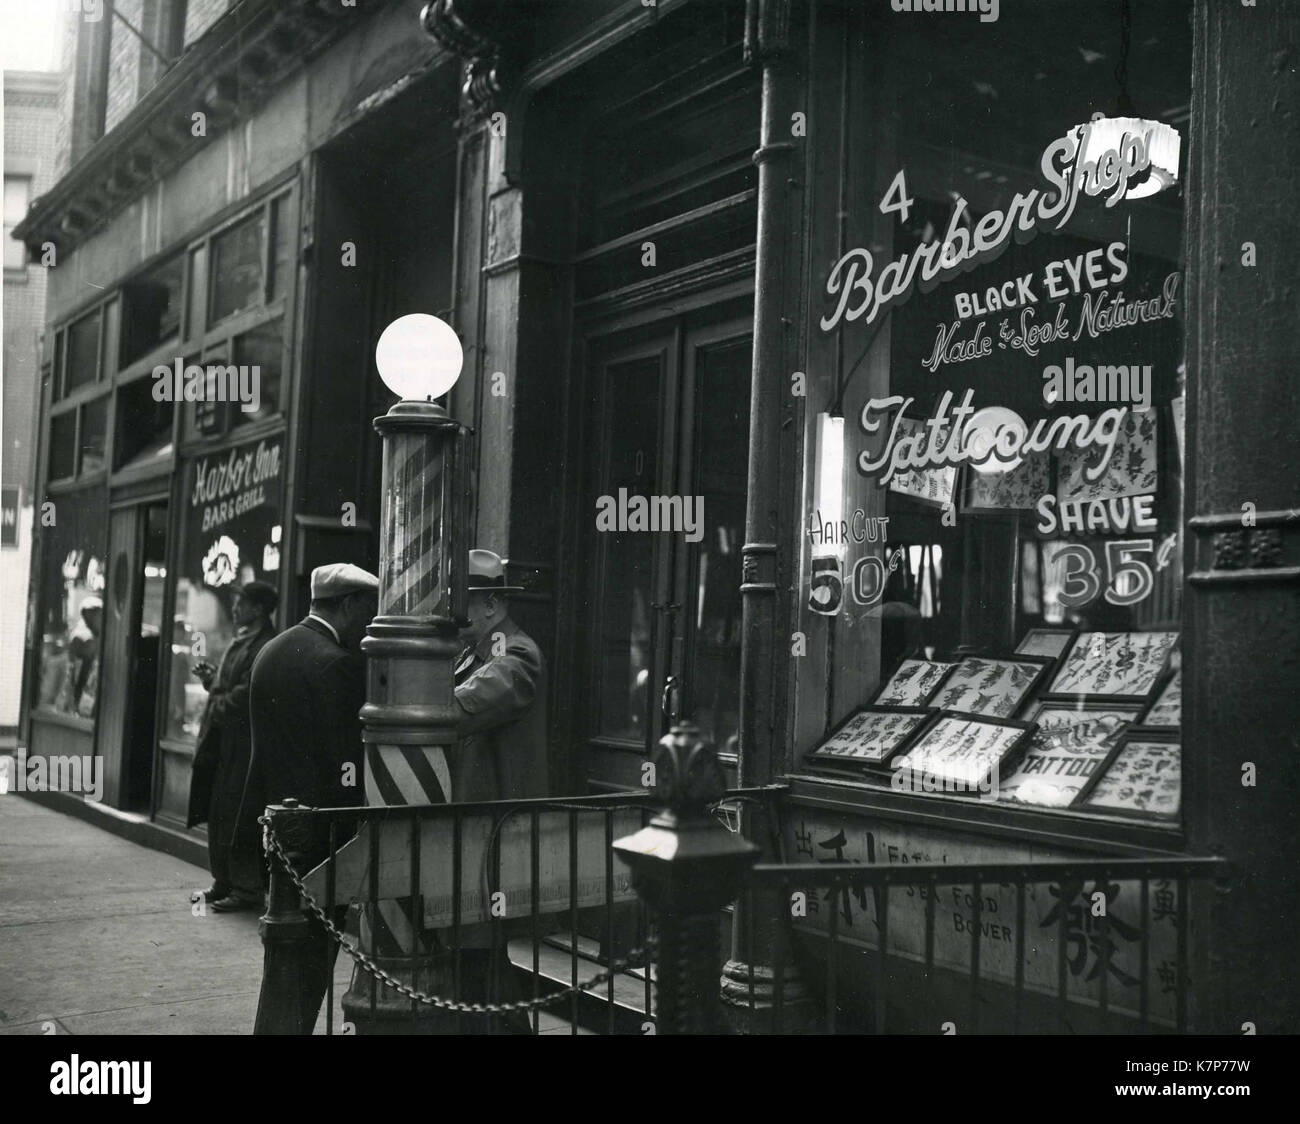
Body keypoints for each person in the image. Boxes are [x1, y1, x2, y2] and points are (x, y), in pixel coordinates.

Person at [241, 562, 377, 1032]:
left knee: (282, 959)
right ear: (346, 605)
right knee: (310, 965)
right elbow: (343, 762)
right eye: (366, 610)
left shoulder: (273, 651)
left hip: (276, 830)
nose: (368, 623)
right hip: (320, 839)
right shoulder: (334, 662)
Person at [438, 549, 548, 1032]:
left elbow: (463, 706)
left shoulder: (516, 653)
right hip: (471, 826)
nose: (453, 611)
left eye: (462, 600)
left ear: (491, 603)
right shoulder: (472, 652)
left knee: (478, 949)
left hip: (493, 830)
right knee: (474, 954)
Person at [186, 580, 278, 912]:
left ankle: (246, 889)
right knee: (220, 812)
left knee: (240, 814)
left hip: (243, 746)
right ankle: (223, 881)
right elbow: (229, 689)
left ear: (258, 609)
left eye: (241, 602)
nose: (235, 608)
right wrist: (213, 681)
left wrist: (217, 699)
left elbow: (244, 696)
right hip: (222, 743)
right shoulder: (242, 640)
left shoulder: (264, 644)